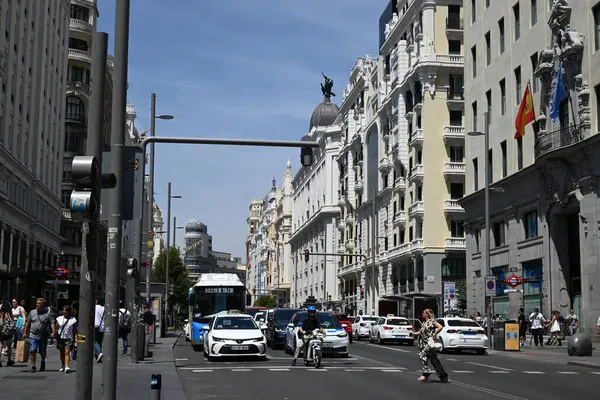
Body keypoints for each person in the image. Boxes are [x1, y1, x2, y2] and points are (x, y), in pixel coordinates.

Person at [23, 298, 56, 373]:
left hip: (43, 336)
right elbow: (28, 323)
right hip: (33, 334)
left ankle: (43, 361)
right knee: (32, 350)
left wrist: (53, 331)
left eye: (39, 303)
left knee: (42, 352)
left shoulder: (48, 313)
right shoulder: (32, 312)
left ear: (43, 304)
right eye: (36, 303)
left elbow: (52, 323)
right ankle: (33, 366)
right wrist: (25, 332)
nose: (37, 304)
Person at [416, 308, 448, 383]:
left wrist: (434, 334)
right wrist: (413, 334)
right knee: (434, 360)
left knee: (422, 355)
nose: (422, 313)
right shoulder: (424, 323)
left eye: (423, 312)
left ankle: (426, 373)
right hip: (424, 343)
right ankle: (443, 376)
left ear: (427, 314)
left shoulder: (432, 321)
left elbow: (440, 327)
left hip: (430, 343)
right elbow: (419, 332)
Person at [56, 306, 77, 373]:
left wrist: (76, 338)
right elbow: (57, 327)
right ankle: (63, 365)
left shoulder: (73, 320)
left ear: (68, 312)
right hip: (60, 338)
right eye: (63, 310)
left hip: (69, 338)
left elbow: (75, 330)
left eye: (65, 310)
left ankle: (67, 366)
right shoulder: (59, 318)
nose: (64, 312)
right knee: (62, 352)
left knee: (67, 352)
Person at [0, 302, 16, 367]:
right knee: (9, 346)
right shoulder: (9, 313)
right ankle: (9, 360)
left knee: (0, 346)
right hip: (8, 331)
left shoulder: (1, 313)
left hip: (1, 331)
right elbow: (12, 321)